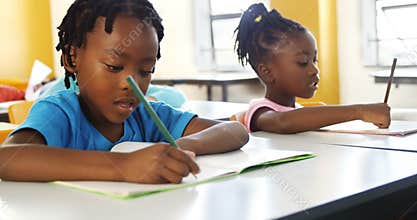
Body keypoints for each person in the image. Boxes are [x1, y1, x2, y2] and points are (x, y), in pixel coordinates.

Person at [0, 0, 248, 184]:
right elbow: (7, 159)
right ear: (71, 58)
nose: (131, 83)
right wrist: (123, 166)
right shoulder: (61, 112)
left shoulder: (147, 116)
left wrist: (176, 148)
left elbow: (235, 131)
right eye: (113, 67)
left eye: (146, 70)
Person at [234, 3, 390, 133]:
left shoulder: (298, 111)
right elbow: (284, 122)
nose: (315, 70)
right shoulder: (260, 111)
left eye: (315, 60)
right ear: (267, 72)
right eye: (303, 62)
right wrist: (360, 111)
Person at [39, 76, 187, 107]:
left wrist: (144, 99)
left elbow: (176, 96)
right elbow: (40, 106)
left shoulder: (127, 84)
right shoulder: (71, 83)